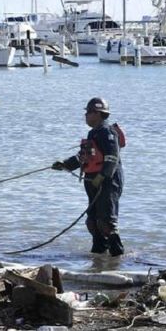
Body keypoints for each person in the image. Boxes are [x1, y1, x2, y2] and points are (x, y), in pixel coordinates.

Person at [52, 97, 125, 256]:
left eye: (88, 112)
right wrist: (65, 164)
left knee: (106, 223)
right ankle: (99, 256)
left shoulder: (108, 132)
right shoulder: (93, 133)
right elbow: (84, 157)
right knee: (92, 222)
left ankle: (117, 256)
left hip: (108, 182)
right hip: (92, 180)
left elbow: (112, 157)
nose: (85, 116)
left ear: (97, 113)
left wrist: (103, 176)